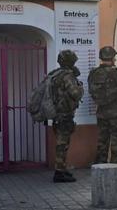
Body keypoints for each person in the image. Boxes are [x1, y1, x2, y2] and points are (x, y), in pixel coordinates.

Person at [88, 46, 117, 167]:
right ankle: (115, 164)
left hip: (101, 111)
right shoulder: (114, 72)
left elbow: (92, 91)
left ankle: (101, 163)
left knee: (103, 138)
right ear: (112, 58)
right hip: (115, 111)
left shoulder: (94, 73)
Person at [51, 50, 84, 183]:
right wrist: (80, 86)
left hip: (58, 114)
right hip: (64, 114)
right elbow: (76, 94)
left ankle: (62, 169)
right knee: (62, 144)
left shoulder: (55, 74)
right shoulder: (67, 77)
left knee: (62, 144)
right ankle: (59, 172)